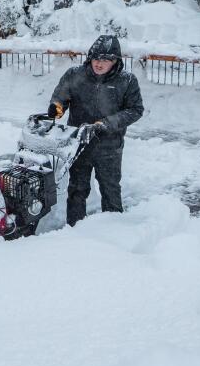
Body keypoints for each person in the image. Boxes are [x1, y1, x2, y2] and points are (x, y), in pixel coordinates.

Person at [47, 34, 144, 224]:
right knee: (77, 190)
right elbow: (61, 97)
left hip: (109, 147)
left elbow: (135, 110)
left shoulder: (127, 81)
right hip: (80, 143)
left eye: (106, 60)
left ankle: (113, 229)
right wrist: (57, 107)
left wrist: (106, 124)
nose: (99, 64)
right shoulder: (75, 75)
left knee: (110, 189)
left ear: (115, 61)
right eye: (96, 58)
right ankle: (75, 228)